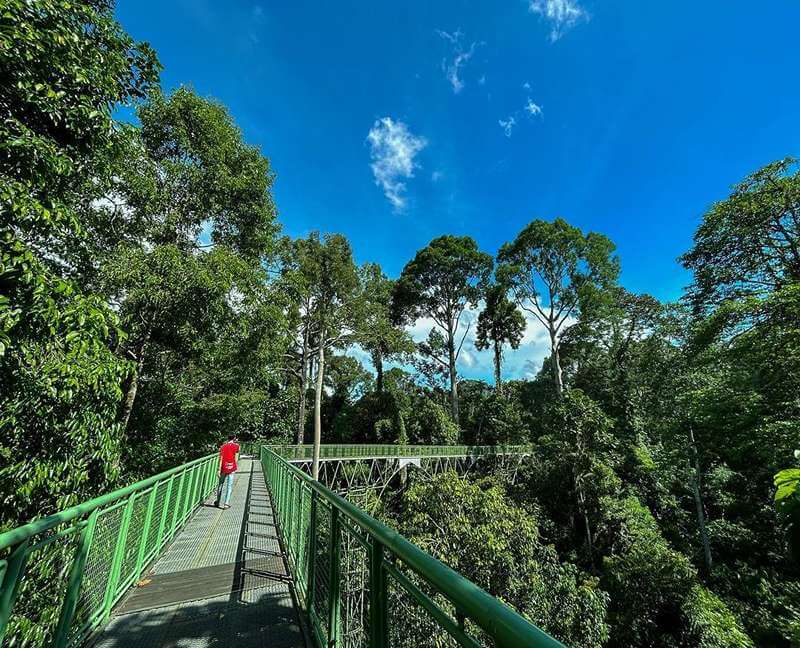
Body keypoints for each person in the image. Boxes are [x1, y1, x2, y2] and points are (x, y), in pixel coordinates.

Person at [217, 433, 240, 509]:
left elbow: (221, 459)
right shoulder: (237, 446)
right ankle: (226, 503)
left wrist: (218, 469)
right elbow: (236, 459)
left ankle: (218, 501)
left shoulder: (223, 447)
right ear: (234, 438)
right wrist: (235, 467)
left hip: (223, 468)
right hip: (231, 468)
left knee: (220, 484)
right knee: (229, 486)